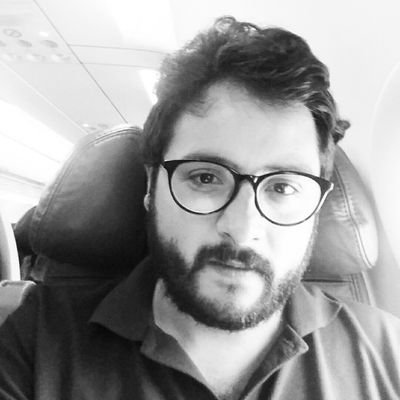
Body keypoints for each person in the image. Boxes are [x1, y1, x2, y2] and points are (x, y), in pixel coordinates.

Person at [0, 16, 399, 400]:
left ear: (318, 206)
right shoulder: (30, 344)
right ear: (151, 186)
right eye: (206, 178)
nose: (242, 228)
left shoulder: (388, 352)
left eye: (282, 187)